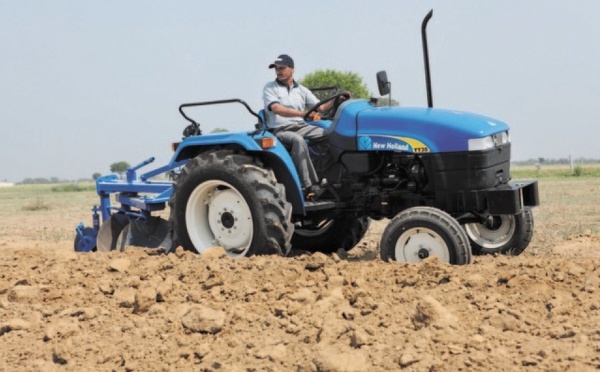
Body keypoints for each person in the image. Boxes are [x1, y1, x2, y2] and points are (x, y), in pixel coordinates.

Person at [262, 54, 342, 199]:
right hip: (280, 130)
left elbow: (322, 108)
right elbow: (277, 109)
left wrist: (337, 100)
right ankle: (310, 186)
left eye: (282, 68)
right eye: (276, 69)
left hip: (300, 126)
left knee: (331, 135)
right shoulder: (270, 88)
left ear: (292, 69)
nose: (278, 71)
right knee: (298, 140)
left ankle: (330, 179)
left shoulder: (301, 90)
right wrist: (303, 113)